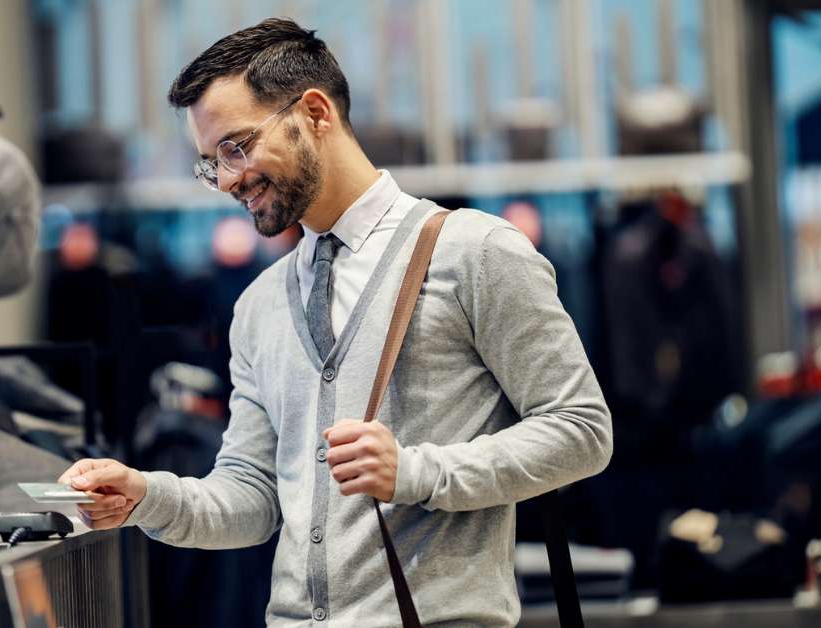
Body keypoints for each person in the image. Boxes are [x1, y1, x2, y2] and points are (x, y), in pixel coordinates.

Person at [57, 18, 613, 627]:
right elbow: (254, 496)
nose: (227, 180)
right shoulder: (260, 304)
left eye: (236, 147)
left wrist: (417, 471)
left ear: (315, 112)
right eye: (210, 162)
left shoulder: (475, 252)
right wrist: (145, 496)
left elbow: (581, 429)